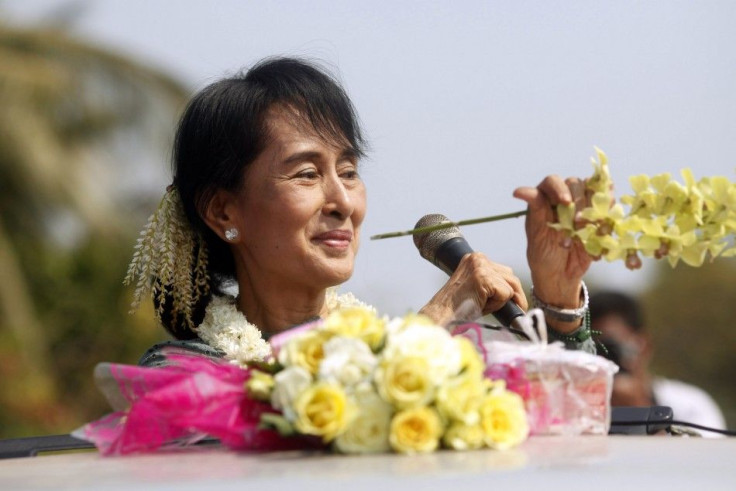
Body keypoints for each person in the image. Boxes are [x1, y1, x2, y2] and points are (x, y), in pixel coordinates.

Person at [130, 57, 595, 368]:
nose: (344, 203)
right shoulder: (180, 370)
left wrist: (558, 301)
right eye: (307, 174)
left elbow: (568, 420)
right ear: (223, 210)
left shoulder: (410, 350)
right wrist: (436, 319)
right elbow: (290, 419)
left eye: (349, 171)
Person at [590, 290, 726, 435]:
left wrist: (639, 411)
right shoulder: (574, 408)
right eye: (593, 350)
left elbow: (705, 455)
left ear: (643, 346)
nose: (605, 359)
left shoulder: (690, 404)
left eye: (612, 347)